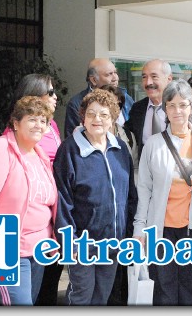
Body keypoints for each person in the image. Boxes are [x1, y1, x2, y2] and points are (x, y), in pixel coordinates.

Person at [132, 79, 192, 306]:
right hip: (162, 230)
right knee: (164, 291)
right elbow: (144, 190)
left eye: (183, 105)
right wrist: (139, 229)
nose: (178, 111)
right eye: (172, 105)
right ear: (165, 108)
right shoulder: (153, 145)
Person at [0, 96, 58, 306]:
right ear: (16, 123)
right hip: (9, 249)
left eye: (43, 121)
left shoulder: (39, 154)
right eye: (32, 119)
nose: (39, 125)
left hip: (39, 248)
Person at [53, 89, 137, 305]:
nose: (96, 119)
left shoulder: (120, 150)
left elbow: (130, 196)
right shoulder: (69, 150)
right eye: (91, 114)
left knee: (102, 296)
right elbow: (63, 201)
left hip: (113, 243)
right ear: (83, 117)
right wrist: (69, 243)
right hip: (82, 244)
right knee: (82, 295)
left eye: (103, 115)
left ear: (113, 119)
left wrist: (128, 234)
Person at [7, 74, 62, 307]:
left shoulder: (53, 125)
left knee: (47, 285)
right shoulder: (14, 135)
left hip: (50, 216)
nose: (55, 97)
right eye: (50, 92)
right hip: (22, 230)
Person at [98, 84, 139, 306]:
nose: (112, 109)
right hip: (95, 219)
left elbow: (134, 171)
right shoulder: (80, 136)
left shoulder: (127, 136)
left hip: (123, 212)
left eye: (117, 105)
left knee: (119, 273)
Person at [125, 59, 192, 159]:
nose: (148, 82)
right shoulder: (137, 108)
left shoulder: (190, 109)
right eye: (144, 77)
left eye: (154, 76)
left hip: (179, 169)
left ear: (169, 79)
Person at [64, 58, 134, 137]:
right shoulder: (77, 103)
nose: (115, 78)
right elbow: (72, 139)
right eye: (109, 74)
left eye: (115, 73)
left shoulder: (126, 98)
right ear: (94, 80)